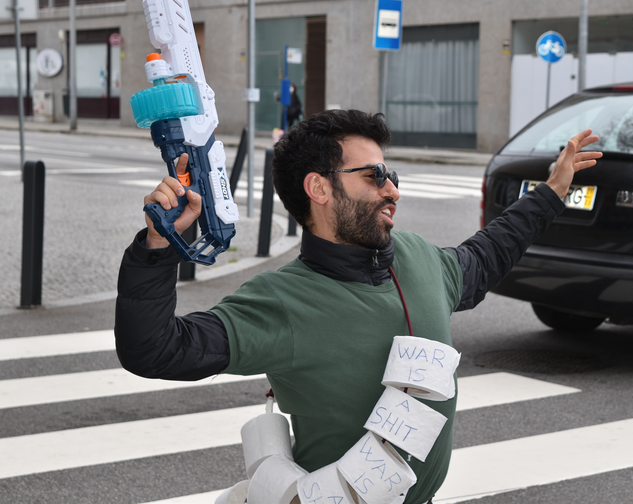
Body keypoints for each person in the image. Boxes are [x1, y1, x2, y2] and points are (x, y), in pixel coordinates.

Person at [115, 109, 601, 503]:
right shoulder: (280, 301)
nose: (392, 190)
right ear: (319, 188)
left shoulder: (419, 258)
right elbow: (156, 350)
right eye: (374, 176)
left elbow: (484, 257)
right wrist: (158, 247)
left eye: (391, 174)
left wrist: (552, 191)